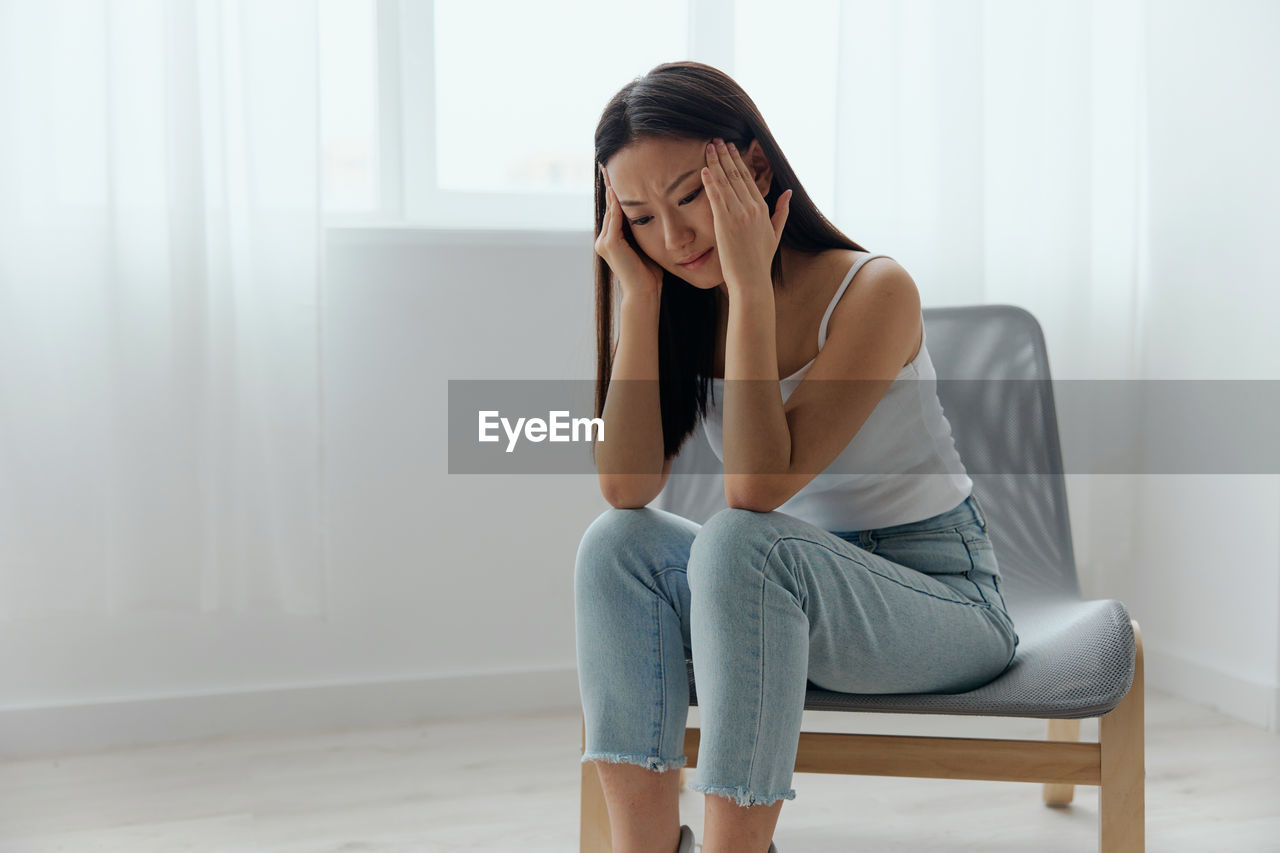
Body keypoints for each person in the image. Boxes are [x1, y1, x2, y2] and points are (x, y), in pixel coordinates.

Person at [575, 61, 1019, 853]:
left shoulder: (876, 290)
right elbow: (626, 484)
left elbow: (756, 488)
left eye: (689, 197)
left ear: (752, 168)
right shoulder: (675, 296)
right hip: (778, 597)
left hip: (942, 600)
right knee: (617, 545)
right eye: (640, 217)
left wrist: (750, 289)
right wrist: (638, 301)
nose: (673, 239)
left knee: (743, 538)